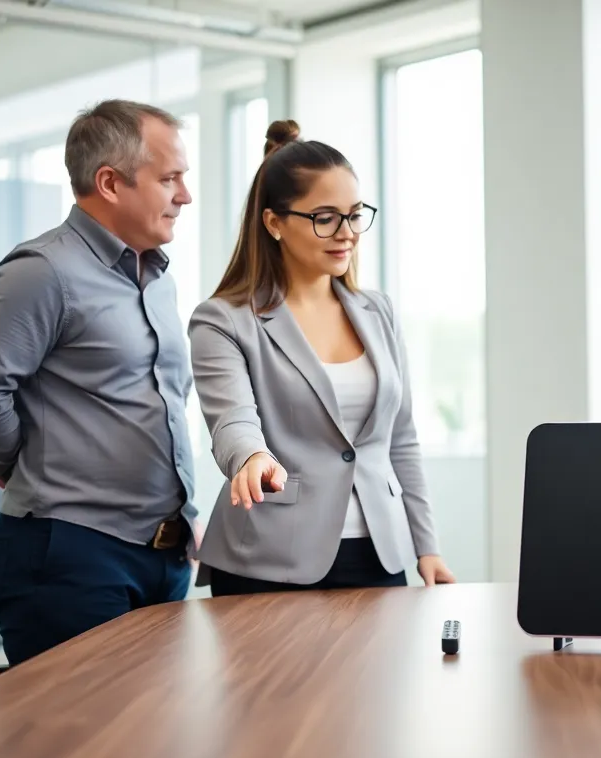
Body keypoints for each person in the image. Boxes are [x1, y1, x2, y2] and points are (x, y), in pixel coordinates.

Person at [0, 99, 198, 664]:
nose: (185, 195)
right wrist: (24, 463)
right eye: (170, 178)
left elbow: (161, 404)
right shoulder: (42, 272)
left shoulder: (154, 276)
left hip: (163, 555)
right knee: (84, 746)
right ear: (110, 182)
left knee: (151, 741)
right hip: (70, 557)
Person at [188, 119, 455, 595]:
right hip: (269, 559)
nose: (346, 233)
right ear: (274, 223)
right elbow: (232, 419)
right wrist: (251, 456)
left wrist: (426, 546)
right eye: (325, 217)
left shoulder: (378, 312)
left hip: (379, 552)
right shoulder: (224, 320)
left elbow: (402, 440)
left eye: (354, 215)